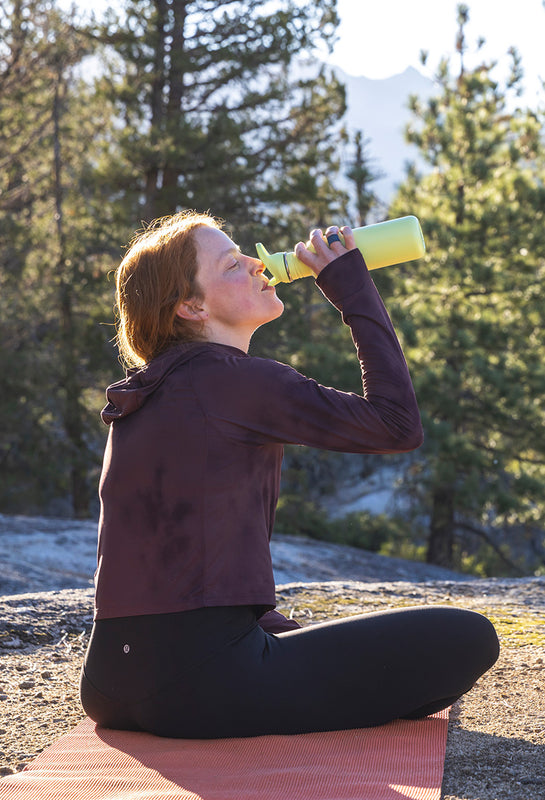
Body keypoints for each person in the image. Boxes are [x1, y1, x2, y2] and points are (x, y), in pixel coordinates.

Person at [80, 211, 499, 739]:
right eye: (233, 263)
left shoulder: (142, 394)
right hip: (199, 686)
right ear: (192, 306)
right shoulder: (237, 381)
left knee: (351, 653)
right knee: (467, 639)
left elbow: (176, 577)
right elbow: (397, 425)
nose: (257, 264)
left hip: (108, 684)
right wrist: (352, 290)